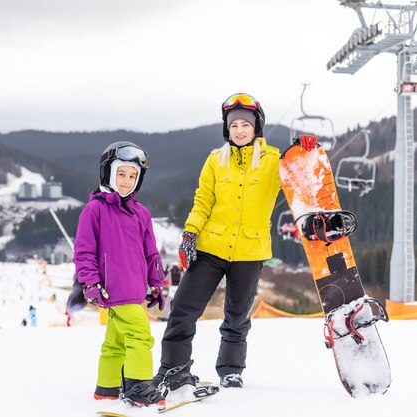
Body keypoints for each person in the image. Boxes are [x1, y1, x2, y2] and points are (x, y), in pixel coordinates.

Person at [155, 93, 317, 392]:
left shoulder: (273, 160)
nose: (240, 130)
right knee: (183, 310)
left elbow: (302, 181)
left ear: (257, 127)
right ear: (226, 130)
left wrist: (305, 154)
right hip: (210, 248)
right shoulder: (216, 160)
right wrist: (190, 233)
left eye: (245, 124)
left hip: (250, 252)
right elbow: (203, 200)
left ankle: (230, 371)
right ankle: (173, 369)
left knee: (237, 316)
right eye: (234, 126)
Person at [74, 141, 166, 408]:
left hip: (135, 291)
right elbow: (84, 252)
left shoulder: (141, 213)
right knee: (139, 334)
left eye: (132, 176)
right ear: (108, 174)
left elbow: (151, 253)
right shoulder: (95, 210)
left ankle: (108, 387)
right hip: (113, 289)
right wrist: (89, 282)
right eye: (122, 174)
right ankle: (139, 387)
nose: (126, 181)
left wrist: (157, 284)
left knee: (115, 342)